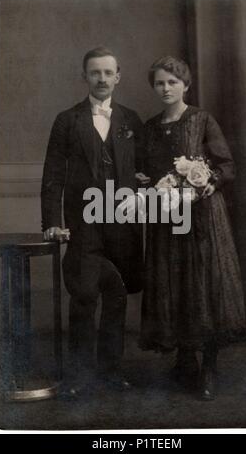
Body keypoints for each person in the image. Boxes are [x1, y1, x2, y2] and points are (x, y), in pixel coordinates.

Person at [139, 56, 246, 401]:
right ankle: (184, 361)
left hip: (201, 218)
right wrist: (145, 181)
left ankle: (209, 366)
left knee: (203, 282)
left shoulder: (201, 119)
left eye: (172, 81)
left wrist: (208, 183)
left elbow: (225, 165)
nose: (166, 88)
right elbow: (144, 169)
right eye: (160, 83)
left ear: (186, 84)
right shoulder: (150, 126)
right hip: (166, 218)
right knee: (173, 282)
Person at [41, 47, 148, 393]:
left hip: (122, 223)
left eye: (107, 73)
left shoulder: (131, 120)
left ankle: (111, 372)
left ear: (118, 77)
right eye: (94, 73)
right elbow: (53, 176)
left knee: (116, 297)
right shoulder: (67, 120)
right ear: (84, 77)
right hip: (84, 223)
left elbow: (144, 169)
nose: (101, 79)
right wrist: (52, 222)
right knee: (85, 295)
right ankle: (80, 376)